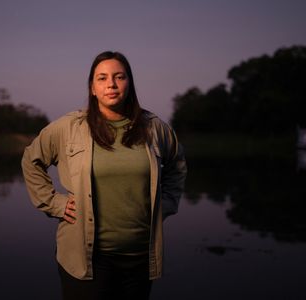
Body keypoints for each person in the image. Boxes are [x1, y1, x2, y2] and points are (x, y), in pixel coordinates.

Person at [22, 51, 187, 300]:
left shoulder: (154, 128)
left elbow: (177, 164)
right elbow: (31, 160)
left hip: (140, 259)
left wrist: (165, 204)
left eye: (119, 77)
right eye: (102, 78)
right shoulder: (68, 127)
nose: (111, 84)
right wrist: (55, 202)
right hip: (86, 260)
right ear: (92, 88)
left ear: (129, 84)